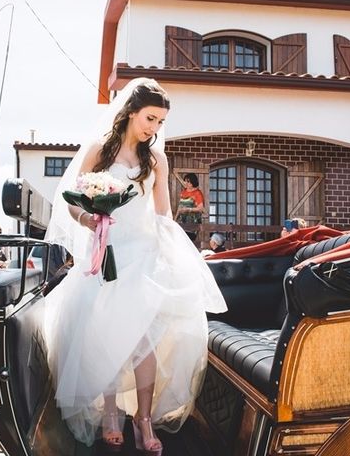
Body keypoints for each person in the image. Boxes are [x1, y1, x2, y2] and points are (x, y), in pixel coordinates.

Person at [44, 78, 227, 453]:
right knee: (106, 332)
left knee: (144, 341)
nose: (154, 128)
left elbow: (162, 212)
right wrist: (88, 221)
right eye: (150, 118)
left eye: (160, 122)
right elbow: (72, 201)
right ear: (130, 112)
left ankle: (142, 418)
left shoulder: (156, 159)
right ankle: (110, 413)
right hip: (107, 251)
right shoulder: (100, 151)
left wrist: (167, 251)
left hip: (142, 253)